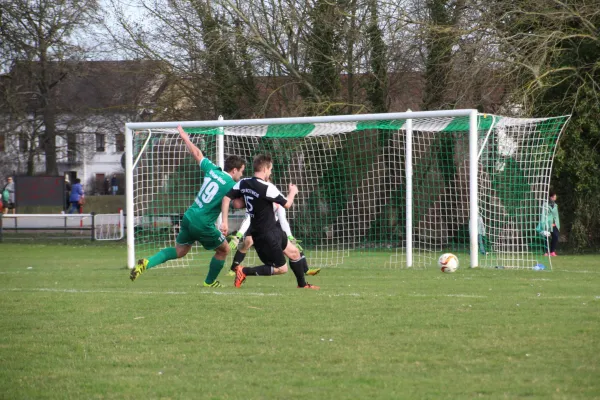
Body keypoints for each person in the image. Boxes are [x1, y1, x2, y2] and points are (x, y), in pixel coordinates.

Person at [130, 125, 246, 288]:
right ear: (234, 170)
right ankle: (209, 282)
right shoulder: (230, 185)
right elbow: (236, 203)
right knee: (224, 250)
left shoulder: (212, 170)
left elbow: (197, 154)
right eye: (241, 172)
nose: (241, 175)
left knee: (180, 251)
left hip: (189, 216)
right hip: (203, 223)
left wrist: (185, 138)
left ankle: (147, 263)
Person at [220, 154, 319, 290]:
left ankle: (302, 285)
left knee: (294, 253)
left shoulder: (243, 183)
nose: (271, 172)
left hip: (273, 229)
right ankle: (244, 271)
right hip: (266, 234)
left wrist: (224, 222)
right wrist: (293, 192)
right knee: (281, 268)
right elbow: (287, 204)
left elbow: (227, 199)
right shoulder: (267, 187)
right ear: (265, 169)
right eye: (270, 169)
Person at [227, 203, 321, 276]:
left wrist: (290, 236)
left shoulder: (277, 198)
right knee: (247, 242)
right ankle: (234, 269)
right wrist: (239, 235)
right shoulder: (255, 198)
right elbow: (248, 219)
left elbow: (283, 220)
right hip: (256, 224)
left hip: (272, 225)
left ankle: (306, 270)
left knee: (292, 246)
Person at [536, 191, 560, 256]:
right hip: (546, 224)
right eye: (553, 197)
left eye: (555, 197)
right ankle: (546, 252)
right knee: (545, 237)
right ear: (550, 197)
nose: (555, 198)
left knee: (555, 236)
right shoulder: (545, 205)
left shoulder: (555, 205)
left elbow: (556, 216)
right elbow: (543, 215)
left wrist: (557, 224)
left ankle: (552, 251)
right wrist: (544, 225)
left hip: (554, 224)